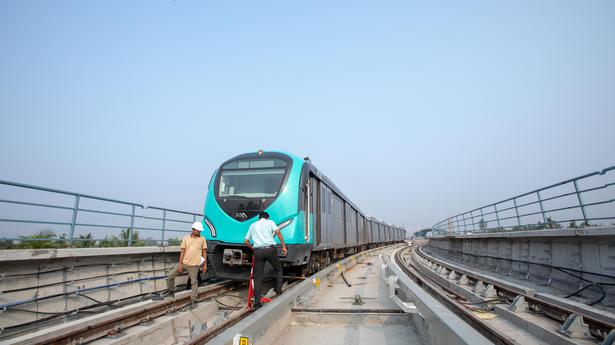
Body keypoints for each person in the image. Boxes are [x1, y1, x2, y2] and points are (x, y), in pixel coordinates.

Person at [244, 212, 287, 310]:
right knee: (278, 269)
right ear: (267, 218)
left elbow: (246, 241)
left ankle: (257, 303)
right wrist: (284, 246)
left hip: (258, 251)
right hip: (270, 250)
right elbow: (278, 232)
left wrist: (253, 249)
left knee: (257, 277)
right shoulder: (270, 222)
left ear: (259, 218)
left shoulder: (253, 225)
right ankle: (279, 291)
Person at [165, 221, 207, 307]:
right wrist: (180, 264)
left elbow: (204, 253)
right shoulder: (186, 238)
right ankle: (171, 293)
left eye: (200, 231)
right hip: (184, 263)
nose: (200, 232)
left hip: (194, 265)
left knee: (194, 282)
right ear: (193, 230)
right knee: (170, 276)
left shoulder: (202, 239)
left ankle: (194, 300)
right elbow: (182, 252)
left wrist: (205, 265)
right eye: (198, 230)